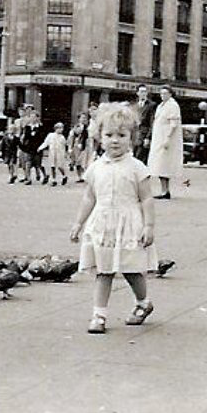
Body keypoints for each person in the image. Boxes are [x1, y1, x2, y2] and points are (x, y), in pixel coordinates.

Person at [70, 102, 157, 334]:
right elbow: (89, 197)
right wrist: (78, 223)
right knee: (104, 270)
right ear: (99, 136)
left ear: (132, 138)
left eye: (121, 135)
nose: (115, 140)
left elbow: (146, 198)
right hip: (103, 225)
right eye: (109, 135)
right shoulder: (96, 167)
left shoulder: (137, 167)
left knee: (130, 269)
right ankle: (99, 315)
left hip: (128, 225)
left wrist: (149, 225)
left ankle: (143, 302)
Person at [147, 85, 183, 199]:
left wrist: (167, 139)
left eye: (165, 93)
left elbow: (173, 124)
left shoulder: (172, 105)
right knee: (160, 165)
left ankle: (165, 191)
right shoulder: (161, 106)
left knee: (164, 165)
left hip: (166, 139)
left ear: (170, 94)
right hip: (159, 138)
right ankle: (164, 190)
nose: (163, 96)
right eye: (161, 94)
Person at [20, 110, 48, 185]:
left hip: (37, 147)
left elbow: (43, 137)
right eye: (31, 117)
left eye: (34, 117)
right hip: (29, 148)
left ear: (37, 118)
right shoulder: (27, 127)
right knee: (28, 163)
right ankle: (28, 179)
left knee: (38, 164)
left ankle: (45, 175)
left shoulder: (41, 127)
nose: (33, 118)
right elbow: (25, 137)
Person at [38, 122, 68, 186]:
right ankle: (53, 180)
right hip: (52, 152)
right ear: (55, 128)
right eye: (59, 128)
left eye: (62, 128)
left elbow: (64, 146)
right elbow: (46, 142)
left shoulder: (62, 137)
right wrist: (40, 148)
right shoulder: (50, 135)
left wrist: (65, 153)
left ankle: (64, 176)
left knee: (60, 166)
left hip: (59, 153)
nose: (61, 130)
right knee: (52, 166)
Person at [133, 84, 156, 164]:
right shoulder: (135, 105)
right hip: (135, 135)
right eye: (141, 91)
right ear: (137, 93)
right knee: (134, 157)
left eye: (145, 92)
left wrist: (148, 137)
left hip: (144, 135)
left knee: (141, 157)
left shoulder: (151, 105)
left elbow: (152, 122)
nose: (143, 93)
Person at [68, 112, 90, 183]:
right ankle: (80, 177)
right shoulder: (75, 127)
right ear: (79, 119)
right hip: (76, 146)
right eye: (82, 118)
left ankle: (85, 176)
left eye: (84, 118)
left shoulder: (87, 127)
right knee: (78, 162)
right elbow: (72, 137)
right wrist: (70, 147)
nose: (84, 119)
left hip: (85, 146)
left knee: (83, 161)